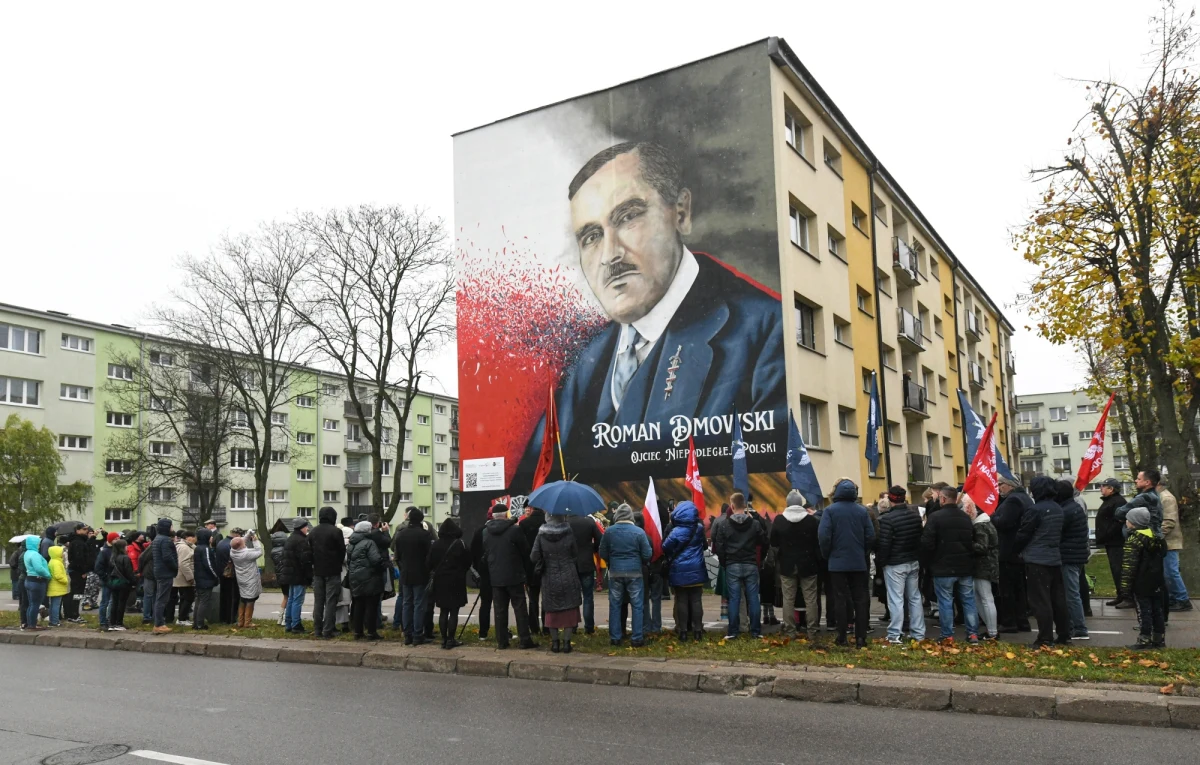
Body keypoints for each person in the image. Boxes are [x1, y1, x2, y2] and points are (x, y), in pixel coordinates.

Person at [519, 141, 787, 482]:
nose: (609, 255)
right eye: (591, 236)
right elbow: (531, 483)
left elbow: (768, 479)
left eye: (628, 217)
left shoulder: (765, 331)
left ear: (681, 213)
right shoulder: (585, 361)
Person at [817, 479, 875, 648]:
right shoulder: (862, 511)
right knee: (861, 600)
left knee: (840, 599)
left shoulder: (829, 511)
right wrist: (862, 552)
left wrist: (828, 554)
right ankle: (861, 638)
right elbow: (870, 536)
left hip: (837, 563)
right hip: (858, 562)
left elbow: (824, 536)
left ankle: (842, 636)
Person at [1015, 476, 1071, 648]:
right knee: (1058, 599)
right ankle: (1063, 634)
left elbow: (1024, 534)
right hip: (1054, 558)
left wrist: (1015, 548)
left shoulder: (1036, 509)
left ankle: (1045, 638)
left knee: (1040, 600)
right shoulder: (1057, 508)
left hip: (1036, 559)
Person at [921, 486, 979, 644]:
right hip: (965, 565)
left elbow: (927, 542)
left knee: (945, 601)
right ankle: (973, 633)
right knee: (968, 600)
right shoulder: (965, 518)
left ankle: (947, 634)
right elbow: (972, 540)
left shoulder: (935, 518)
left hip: (943, 566)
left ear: (943, 499)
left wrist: (927, 562)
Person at [483, 505, 539, 649]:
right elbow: (525, 551)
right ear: (506, 514)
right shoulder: (515, 530)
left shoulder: (486, 532)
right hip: (514, 575)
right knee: (520, 608)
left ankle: (502, 641)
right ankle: (524, 640)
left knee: (499, 610)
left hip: (495, 575)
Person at [712, 492, 765, 640]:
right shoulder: (754, 524)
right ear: (745, 505)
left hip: (732, 564)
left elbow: (719, 546)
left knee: (734, 599)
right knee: (753, 598)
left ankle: (733, 631)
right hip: (750, 563)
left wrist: (725, 562)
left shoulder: (724, 525)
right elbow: (763, 541)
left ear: (732, 506)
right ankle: (756, 631)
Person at [876, 485, 925, 644]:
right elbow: (919, 539)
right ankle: (918, 632)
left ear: (890, 499)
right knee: (915, 597)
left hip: (895, 563)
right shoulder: (915, 516)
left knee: (896, 599)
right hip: (913, 560)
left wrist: (881, 562)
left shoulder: (888, 519)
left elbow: (884, 544)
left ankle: (894, 634)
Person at [599, 503, 652, 646]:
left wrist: (611, 561)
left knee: (615, 604)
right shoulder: (639, 532)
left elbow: (602, 552)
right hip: (635, 572)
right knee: (637, 605)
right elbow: (647, 554)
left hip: (615, 571)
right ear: (630, 516)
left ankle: (615, 637)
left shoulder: (609, 532)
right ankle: (637, 638)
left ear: (616, 516)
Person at [530, 512, 583, 653]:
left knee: (551, 610)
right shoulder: (569, 532)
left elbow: (534, 556)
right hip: (568, 574)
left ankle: (555, 644)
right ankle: (567, 644)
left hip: (549, 577)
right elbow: (575, 553)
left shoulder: (541, 534)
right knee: (569, 609)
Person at [1121, 507, 1168, 649]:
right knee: (1157, 610)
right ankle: (1159, 639)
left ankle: (1144, 639)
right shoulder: (1155, 537)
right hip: (1156, 581)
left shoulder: (1134, 540)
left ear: (1134, 523)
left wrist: (1124, 588)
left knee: (1143, 611)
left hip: (1141, 582)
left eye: (1128, 519)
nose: (1126, 521)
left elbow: (1129, 566)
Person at [663, 500, 708, 642]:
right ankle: (698, 631)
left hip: (679, 570)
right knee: (696, 601)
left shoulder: (676, 531)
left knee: (681, 600)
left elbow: (665, 547)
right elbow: (705, 546)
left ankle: (683, 631)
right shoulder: (699, 528)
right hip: (697, 569)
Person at [992, 476, 1033, 633]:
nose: (999, 487)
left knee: (1008, 589)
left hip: (1009, 550)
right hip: (1019, 550)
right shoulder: (1025, 498)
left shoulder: (1013, 500)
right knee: (1019, 589)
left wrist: (992, 515)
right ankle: (1022, 621)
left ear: (1009, 486)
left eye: (1000, 484)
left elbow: (1004, 522)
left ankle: (1010, 622)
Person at [426, 518, 470, 650]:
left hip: (440, 581)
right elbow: (468, 561)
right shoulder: (460, 544)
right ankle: (451, 639)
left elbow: (428, 564)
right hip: (456, 580)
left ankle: (443, 639)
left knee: (443, 611)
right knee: (454, 611)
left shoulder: (435, 545)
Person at [393, 507, 433, 645]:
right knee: (419, 604)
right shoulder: (424, 535)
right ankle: (417, 634)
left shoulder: (400, 534)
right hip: (421, 573)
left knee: (406, 603)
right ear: (421, 520)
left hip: (405, 573)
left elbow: (396, 555)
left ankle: (407, 634)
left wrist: (402, 568)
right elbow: (429, 556)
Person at [1056, 480, 1090, 641]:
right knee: (1071, 592)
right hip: (1076, 554)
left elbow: (1058, 532)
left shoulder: (1066, 511)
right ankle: (1073, 625)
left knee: (1071, 593)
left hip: (1069, 556)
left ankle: (1079, 628)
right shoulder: (1073, 507)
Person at [964, 495, 999, 640]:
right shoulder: (985, 522)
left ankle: (992, 632)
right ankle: (991, 630)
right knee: (981, 598)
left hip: (983, 566)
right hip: (986, 565)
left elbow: (981, 547)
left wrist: (966, 543)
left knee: (985, 598)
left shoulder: (980, 525)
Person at [308, 507, 346, 639]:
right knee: (331, 601)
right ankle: (328, 630)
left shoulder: (313, 532)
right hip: (333, 570)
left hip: (318, 570)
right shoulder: (336, 531)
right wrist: (338, 563)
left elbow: (309, 551)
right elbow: (342, 551)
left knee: (318, 601)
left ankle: (317, 629)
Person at [566, 508, 604, 635]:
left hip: (570, 564)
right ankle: (589, 627)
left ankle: (573, 626)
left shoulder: (565, 523)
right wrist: (591, 548)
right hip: (587, 563)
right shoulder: (589, 522)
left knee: (572, 597)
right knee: (588, 597)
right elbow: (600, 539)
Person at [1157, 478, 1193, 612]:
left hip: (1169, 542)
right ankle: (1173, 598)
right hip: (1167, 541)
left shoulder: (1166, 498)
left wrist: (1157, 536)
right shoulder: (1162, 496)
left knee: (1171, 572)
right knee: (1168, 572)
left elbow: (1169, 521)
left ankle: (1182, 599)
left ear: (1158, 483)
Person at [1093, 478, 1129, 607]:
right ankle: (1121, 595)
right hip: (1110, 541)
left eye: (1104, 486)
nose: (1101, 488)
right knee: (1115, 570)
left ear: (1111, 489)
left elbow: (1118, 521)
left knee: (1119, 569)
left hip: (1116, 542)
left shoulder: (1118, 502)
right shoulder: (1110, 501)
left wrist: (1107, 533)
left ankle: (1126, 596)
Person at [347, 520, 385, 640]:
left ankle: (358, 632)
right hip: (369, 577)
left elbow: (349, 561)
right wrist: (382, 566)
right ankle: (371, 632)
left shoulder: (351, 543)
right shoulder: (369, 543)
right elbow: (376, 560)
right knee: (371, 606)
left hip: (355, 577)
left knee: (358, 604)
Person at [277, 519, 313, 634]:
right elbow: (305, 560)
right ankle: (296, 625)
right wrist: (309, 575)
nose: (307, 529)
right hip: (298, 574)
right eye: (306, 527)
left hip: (290, 574)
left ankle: (288, 624)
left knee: (291, 599)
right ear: (302, 527)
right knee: (297, 600)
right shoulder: (301, 541)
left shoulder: (290, 539)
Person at [470, 506, 499, 641]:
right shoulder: (503, 531)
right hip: (500, 572)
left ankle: (483, 632)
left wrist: (479, 569)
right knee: (501, 604)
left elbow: (473, 554)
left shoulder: (479, 532)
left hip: (484, 573)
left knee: (485, 604)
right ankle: (502, 632)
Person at [519, 504, 547, 635]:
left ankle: (534, 627)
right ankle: (547, 627)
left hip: (530, 565)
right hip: (546, 565)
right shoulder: (547, 523)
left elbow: (521, 547)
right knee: (547, 598)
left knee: (533, 598)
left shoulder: (524, 523)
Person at [148, 518, 178, 633]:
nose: (172, 528)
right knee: (162, 599)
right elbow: (167, 557)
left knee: (160, 598)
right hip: (165, 572)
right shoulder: (165, 540)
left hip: (159, 571)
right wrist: (175, 566)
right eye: (171, 526)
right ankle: (159, 624)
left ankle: (159, 622)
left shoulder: (157, 538)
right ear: (167, 527)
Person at [1115, 469, 1163, 536]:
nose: (1135, 481)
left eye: (1139, 479)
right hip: (1154, 535)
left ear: (1147, 482)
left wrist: (1126, 518)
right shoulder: (1156, 495)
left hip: (1143, 537)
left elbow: (1119, 513)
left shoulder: (1144, 497)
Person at [230, 533, 263, 628]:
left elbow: (239, 542)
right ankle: (248, 622)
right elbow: (259, 551)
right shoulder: (246, 554)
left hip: (241, 579)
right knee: (250, 600)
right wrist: (255, 540)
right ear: (241, 545)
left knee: (243, 599)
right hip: (250, 579)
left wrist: (248, 534)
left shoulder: (233, 551)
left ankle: (240, 621)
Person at [192, 528, 218, 631]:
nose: (212, 538)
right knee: (204, 602)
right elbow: (209, 565)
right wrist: (216, 576)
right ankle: (200, 624)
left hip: (199, 578)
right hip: (206, 580)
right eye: (210, 536)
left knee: (199, 601)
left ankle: (196, 622)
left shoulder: (198, 548)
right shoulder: (205, 549)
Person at [106, 539, 136, 631]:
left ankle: (112, 623)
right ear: (123, 547)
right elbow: (129, 572)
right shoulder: (125, 558)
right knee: (121, 603)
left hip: (114, 582)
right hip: (123, 583)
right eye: (126, 546)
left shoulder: (113, 557)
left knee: (114, 603)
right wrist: (134, 582)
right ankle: (119, 623)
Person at [93, 532, 118, 631]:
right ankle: (103, 622)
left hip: (116, 580)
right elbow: (98, 567)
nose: (118, 540)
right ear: (111, 540)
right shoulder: (104, 552)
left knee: (113, 602)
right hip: (107, 580)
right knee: (105, 602)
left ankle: (111, 620)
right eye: (116, 538)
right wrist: (106, 577)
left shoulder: (116, 550)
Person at [215, 529, 240, 624]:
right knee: (232, 598)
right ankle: (231, 618)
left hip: (222, 574)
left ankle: (223, 618)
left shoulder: (221, 542)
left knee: (224, 597)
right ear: (237, 535)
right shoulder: (232, 544)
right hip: (231, 575)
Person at [173, 530, 197, 627]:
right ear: (188, 537)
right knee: (189, 597)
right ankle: (182, 618)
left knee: (184, 598)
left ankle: (183, 617)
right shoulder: (184, 548)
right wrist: (190, 577)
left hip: (180, 576)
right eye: (194, 537)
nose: (195, 539)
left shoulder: (182, 545)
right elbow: (183, 564)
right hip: (184, 577)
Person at [46, 543, 70, 627]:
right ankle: (55, 622)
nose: (62, 553)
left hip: (53, 587)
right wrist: (66, 580)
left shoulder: (52, 561)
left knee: (52, 605)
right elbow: (58, 575)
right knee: (56, 605)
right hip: (57, 587)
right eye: (61, 552)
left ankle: (52, 621)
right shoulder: (57, 563)